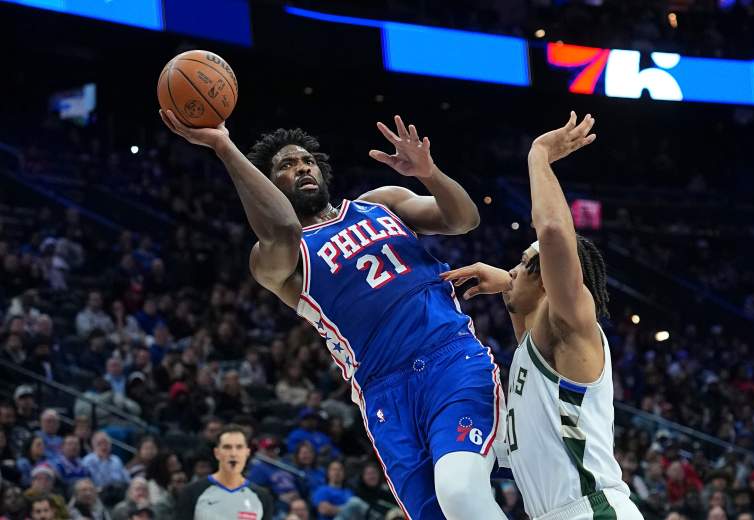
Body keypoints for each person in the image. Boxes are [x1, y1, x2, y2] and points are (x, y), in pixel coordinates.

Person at [160, 107, 505, 519]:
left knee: (459, 491)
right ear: (268, 185)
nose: (302, 168)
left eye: (307, 161)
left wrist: (429, 173)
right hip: (383, 392)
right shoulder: (279, 259)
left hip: (449, 359)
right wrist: (223, 145)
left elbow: (464, 219)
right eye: (286, 166)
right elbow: (283, 228)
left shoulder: (380, 204)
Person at [441, 113, 643, 519]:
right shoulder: (537, 346)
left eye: (523, 263)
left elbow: (551, 230)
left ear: (549, 280)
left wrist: (539, 154)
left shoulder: (570, 325)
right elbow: (524, 306)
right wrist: (509, 281)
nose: (513, 270)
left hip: (593, 511)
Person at [175, 424, 273, 519]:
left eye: (239, 447)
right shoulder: (192, 492)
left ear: (247, 452)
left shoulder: (262, 496)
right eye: (227, 447)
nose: (233, 453)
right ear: (217, 453)